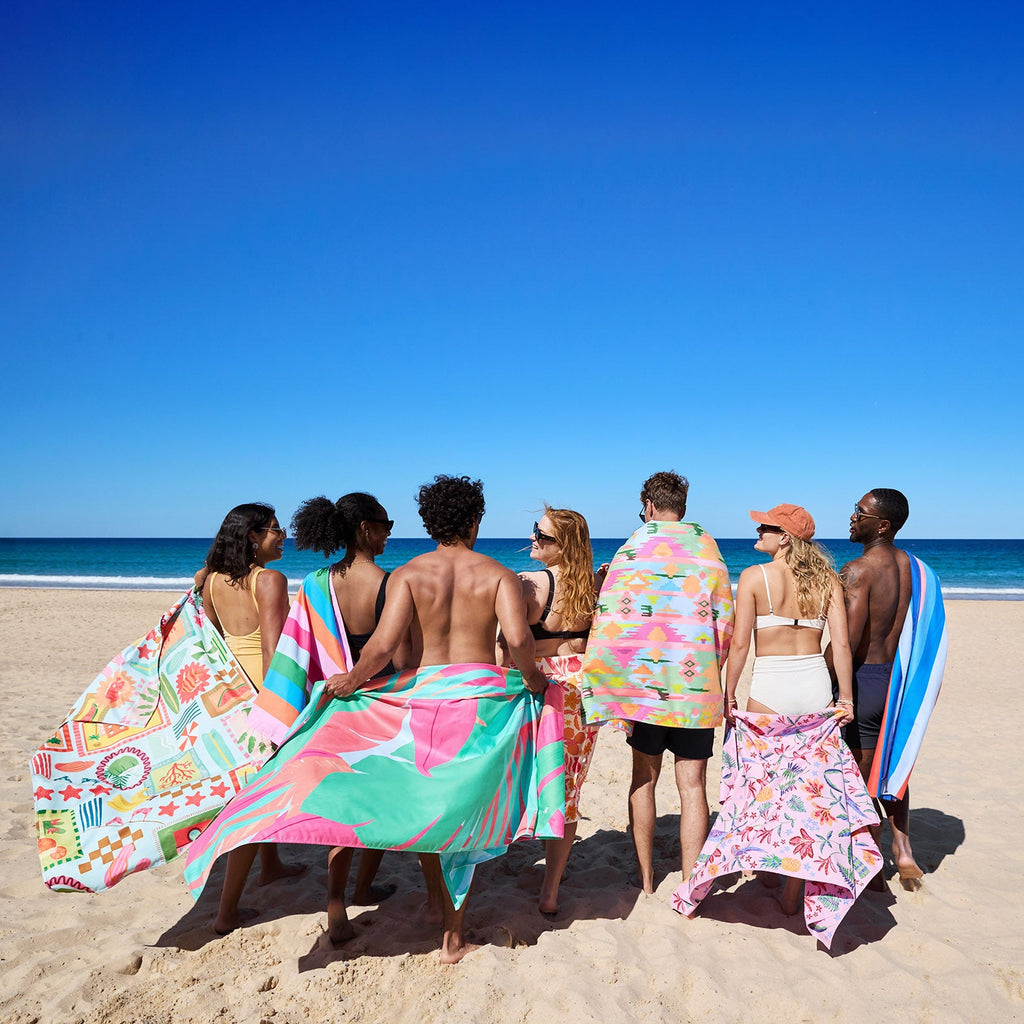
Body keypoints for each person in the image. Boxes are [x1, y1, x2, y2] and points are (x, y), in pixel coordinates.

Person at [325, 474, 549, 962]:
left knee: (430, 805)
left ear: (429, 522)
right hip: (478, 704)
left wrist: (353, 679)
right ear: (474, 520)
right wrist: (533, 679)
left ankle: (433, 903)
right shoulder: (498, 575)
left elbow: (384, 645)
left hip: (423, 699)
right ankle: (452, 936)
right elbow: (518, 640)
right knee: (463, 816)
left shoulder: (407, 575)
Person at [580, 471, 734, 894]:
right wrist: (712, 669)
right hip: (694, 692)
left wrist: (612, 680)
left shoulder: (633, 547)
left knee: (643, 781)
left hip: (644, 692)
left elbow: (611, 617)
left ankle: (646, 880)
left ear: (648, 505)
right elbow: (725, 618)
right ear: (682, 505)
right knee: (693, 787)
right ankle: (690, 883)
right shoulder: (707, 548)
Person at [722, 503, 855, 914]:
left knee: (765, 787)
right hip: (815, 686)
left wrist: (729, 693)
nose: (757, 532)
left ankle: (767, 866)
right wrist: (846, 698)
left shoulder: (753, 577)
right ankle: (793, 886)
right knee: (808, 793)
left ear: (784, 537)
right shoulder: (827, 580)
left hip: (771, 686)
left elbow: (740, 644)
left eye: (764, 527)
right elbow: (841, 644)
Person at [290, 492, 406, 908]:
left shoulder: (315, 583)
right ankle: (362, 888)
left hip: (336, 704)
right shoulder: (390, 584)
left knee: (342, 804)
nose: (389, 534)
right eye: (385, 525)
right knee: (378, 802)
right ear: (365, 529)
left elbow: (301, 646)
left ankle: (336, 902)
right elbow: (400, 657)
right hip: (382, 704)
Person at [832, 489, 948, 890]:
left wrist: (817, 670)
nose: (852, 517)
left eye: (859, 512)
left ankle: (870, 862)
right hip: (898, 683)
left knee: (859, 774)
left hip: (864, 680)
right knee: (893, 764)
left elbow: (847, 642)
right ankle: (904, 850)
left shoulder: (858, 570)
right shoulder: (918, 570)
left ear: (882, 525)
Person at [197, 503, 303, 933]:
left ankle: (271, 865)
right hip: (263, 696)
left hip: (230, 698)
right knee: (252, 806)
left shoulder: (211, 582)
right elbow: (273, 652)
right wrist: (280, 711)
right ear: (253, 537)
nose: (283, 536)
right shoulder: (270, 580)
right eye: (276, 530)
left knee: (253, 791)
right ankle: (226, 913)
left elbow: (210, 645)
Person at [509, 508, 601, 916]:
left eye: (542, 535)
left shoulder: (528, 585)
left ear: (564, 545)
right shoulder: (592, 587)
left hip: (540, 686)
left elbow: (508, 644)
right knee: (568, 790)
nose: (534, 538)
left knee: (523, 779)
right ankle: (550, 890)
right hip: (581, 689)